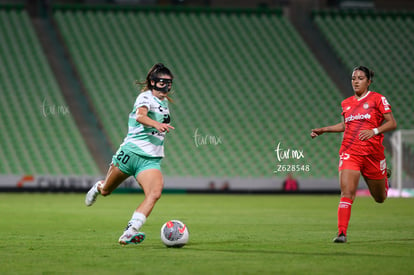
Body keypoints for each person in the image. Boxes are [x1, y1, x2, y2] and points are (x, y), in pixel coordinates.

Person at [85, 63, 175, 245]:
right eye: (162, 82)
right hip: (130, 153)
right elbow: (140, 116)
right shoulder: (145, 97)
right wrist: (156, 124)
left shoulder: (164, 103)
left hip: (150, 160)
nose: (166, 87)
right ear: (152, 82)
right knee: (106, 191)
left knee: (154, 193)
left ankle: (130, 230)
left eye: (169, 83)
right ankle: (98, 187)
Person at [310, 66, 397, 243]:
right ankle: (342, 233)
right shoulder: (346, 103)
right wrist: (324, 129)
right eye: (353, 78)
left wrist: (374, 130)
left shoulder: (377, 99)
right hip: (351, 152)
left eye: (360, 78)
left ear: (368, 81)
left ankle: (384, 177)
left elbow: (391, 123)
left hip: (373, 155)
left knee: (380, 198)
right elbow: (346, 125)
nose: (356, 81)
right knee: (347, 192)